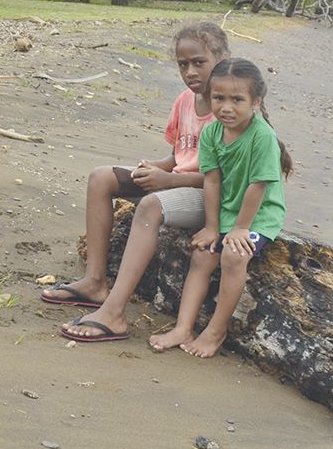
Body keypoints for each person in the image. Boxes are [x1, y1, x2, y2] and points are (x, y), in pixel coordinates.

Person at [45, 21, 230, 342]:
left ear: (221, 57)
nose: (191, 72)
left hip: (211, 196)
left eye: (199, 62)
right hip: (177, 182)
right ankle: (95, 282)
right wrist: (156, 168)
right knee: (101, 177)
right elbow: (179, 155)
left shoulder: (229, 105)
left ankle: (115, 313)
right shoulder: (186, 101)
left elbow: (224, 176)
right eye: (183, 65)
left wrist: (166, 181)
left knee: (149, 206)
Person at [149, 57, 291, 358]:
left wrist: (240, 228)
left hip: (258, 215)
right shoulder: (213, 134)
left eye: (237, 99)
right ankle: (183, 327)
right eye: (219, 98)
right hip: (227, 209)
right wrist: (212, 226)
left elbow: (258, 186)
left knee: (234, 255)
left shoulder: (262, 136)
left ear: (256, 100)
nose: (226, 107)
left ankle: (216, 330)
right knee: (201, 255)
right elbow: (211, 182)